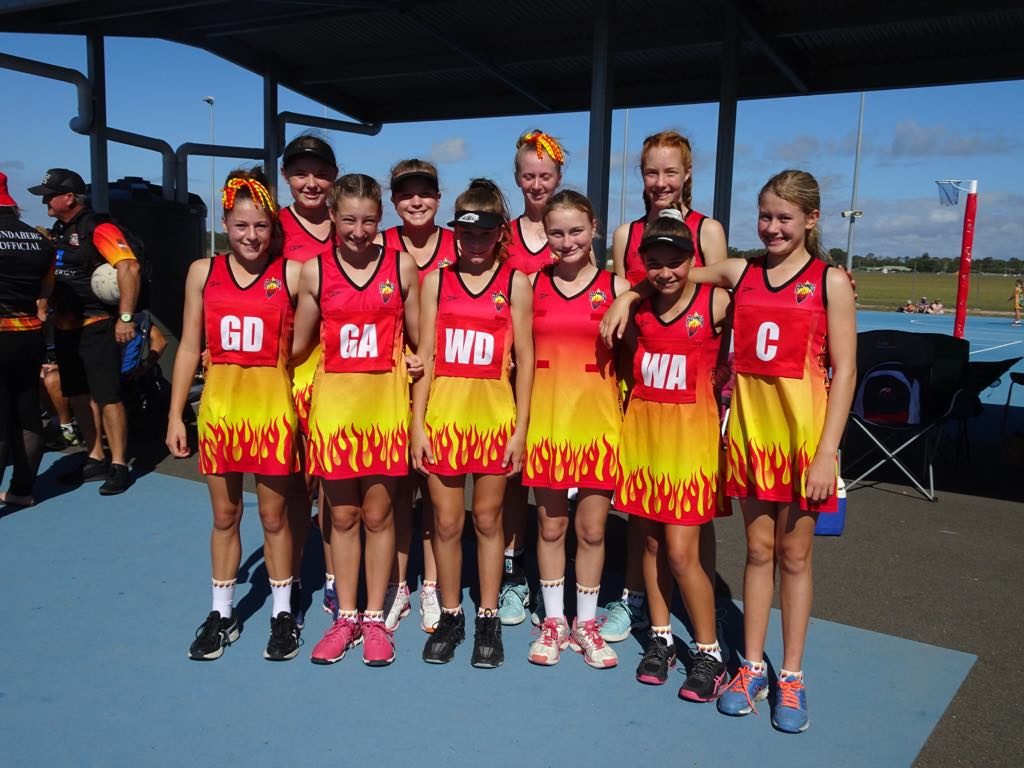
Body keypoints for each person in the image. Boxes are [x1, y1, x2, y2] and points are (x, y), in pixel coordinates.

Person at [685, 170, 855, 732]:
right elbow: (672, 271)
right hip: (753, 439)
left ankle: (793, 675)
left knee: (795, 556)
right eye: (765, 216)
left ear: (811, 219)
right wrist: (629, 291)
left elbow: (846, 370)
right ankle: (750, 667)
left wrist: (829, 451)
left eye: (784, 217)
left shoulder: (829, 282)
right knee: (758, 553)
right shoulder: (741, 271)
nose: (773, 227)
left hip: (804, 442)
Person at [166, 168, 302, 662]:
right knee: (225, 514)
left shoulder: (291, 273)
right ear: (226, 222)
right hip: (222, 411)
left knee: (274, 515)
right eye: (242, 225)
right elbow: (188, 348)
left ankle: (283, 612)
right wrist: (176, 414)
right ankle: (222, 613)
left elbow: (330, 329)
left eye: (261, 226)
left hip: (270, 412)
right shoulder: (203, 272)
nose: (251, 236)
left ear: (273, 227)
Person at [602, 130, 728, 644]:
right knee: (642, 510)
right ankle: (636, 600)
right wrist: (623, 297)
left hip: (692, 375)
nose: (660, 182)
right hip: (640, 379)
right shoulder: (627, 233)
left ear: (688, 173)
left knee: (692, 509)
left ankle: (708, 605)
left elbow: (721, 283)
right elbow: (620, 290)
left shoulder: (707, 228)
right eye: (651, 172)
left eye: (670, 172)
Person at [292, 173, 421, 667]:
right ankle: (344, 616)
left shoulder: (401, 266)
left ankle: (374, 616)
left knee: (379, 514)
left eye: (369, 220)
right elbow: (300, 343)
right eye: (349, 218)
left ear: (380, 219)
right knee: (340, 516)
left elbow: (419, 339)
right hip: (335, 412)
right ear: (332, 216)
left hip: (385, 409)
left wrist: (418, 359)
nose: (359, 230)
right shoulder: (314, 272)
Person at [410, 179, 534, 668]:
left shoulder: (515, 282)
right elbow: (426, 359)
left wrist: (521, 428)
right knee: (443, 522)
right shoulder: (436, 281)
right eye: (467, 233)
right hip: (444, 417)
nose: (475, 242)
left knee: (487, 521)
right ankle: (450, 614)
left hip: (493, 419)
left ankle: (486, 617)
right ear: (455, 232)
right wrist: (418, 424)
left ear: (500, 232)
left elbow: (524, 359)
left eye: (485, 233)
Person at [616, 209, 731, 700]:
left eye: (676, 261)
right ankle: (660, 639)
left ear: (692, 260)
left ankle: (709, 652)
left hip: (691, 445)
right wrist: (627, 296)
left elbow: (760, 285)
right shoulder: (638, 311)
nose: (665, 271)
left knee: (684, 553)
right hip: (645, 439)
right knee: (650, 545)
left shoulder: (716, 302)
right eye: (655, 262)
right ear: (642, 263)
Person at [522, 190, 628, 668]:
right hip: (546, 419)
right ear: (545, 234)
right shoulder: (529, 284)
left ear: (595, 228)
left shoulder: (621, 287)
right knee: (550, 525)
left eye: (576, 231)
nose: (567, 241)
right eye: (556, 232)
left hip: (598, 421)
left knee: (591, 529)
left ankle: (586, 622)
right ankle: (553, 620)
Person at [376, 158, 457, 633]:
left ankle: (431, 586)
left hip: (447, 385)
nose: (416, 201)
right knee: (399, 490)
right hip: (390, 386)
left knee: (435, 492)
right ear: (394, 201)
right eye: (406, 193)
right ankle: (397, 585)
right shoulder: (381, 243)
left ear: (439, 197)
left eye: (424, 192)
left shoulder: (459, 242)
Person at [27, 168, 141, 495]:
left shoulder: (98, 227)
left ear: (70, 198)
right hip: (66, 327)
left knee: (107, 396)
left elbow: (129, 267)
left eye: (50, 195)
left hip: (97, 326)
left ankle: (119, 463)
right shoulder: (60, 230)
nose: (46, 200)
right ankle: (95, 456)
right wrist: (44, 305)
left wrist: (125, 317)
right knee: (77, 394)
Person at [499, 129, 566, 627]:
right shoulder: (502, 234)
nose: (537, 184)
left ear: (558, 177)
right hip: (508, 374)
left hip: (561, 378)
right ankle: (511, 574)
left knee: (552, 485)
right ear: (518, 179)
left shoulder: (571, 229)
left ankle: (556, 584)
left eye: (545, 175)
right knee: (509, 480)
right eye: (528, 176)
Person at [278, 134, 339, 628]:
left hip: (343, 371)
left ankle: (338, 580)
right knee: (296, 482)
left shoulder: (352, 224)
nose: (311, 182)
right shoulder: (270, 227)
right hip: (289, 368)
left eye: (319, 172)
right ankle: (294, 577)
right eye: (300, 172)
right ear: (286, 178)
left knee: (337, 482)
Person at [0, 171, 55, 506]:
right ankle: (22, 490)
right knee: (27, 410)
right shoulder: (39, 241)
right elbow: (45, 291)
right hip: (29, 333)